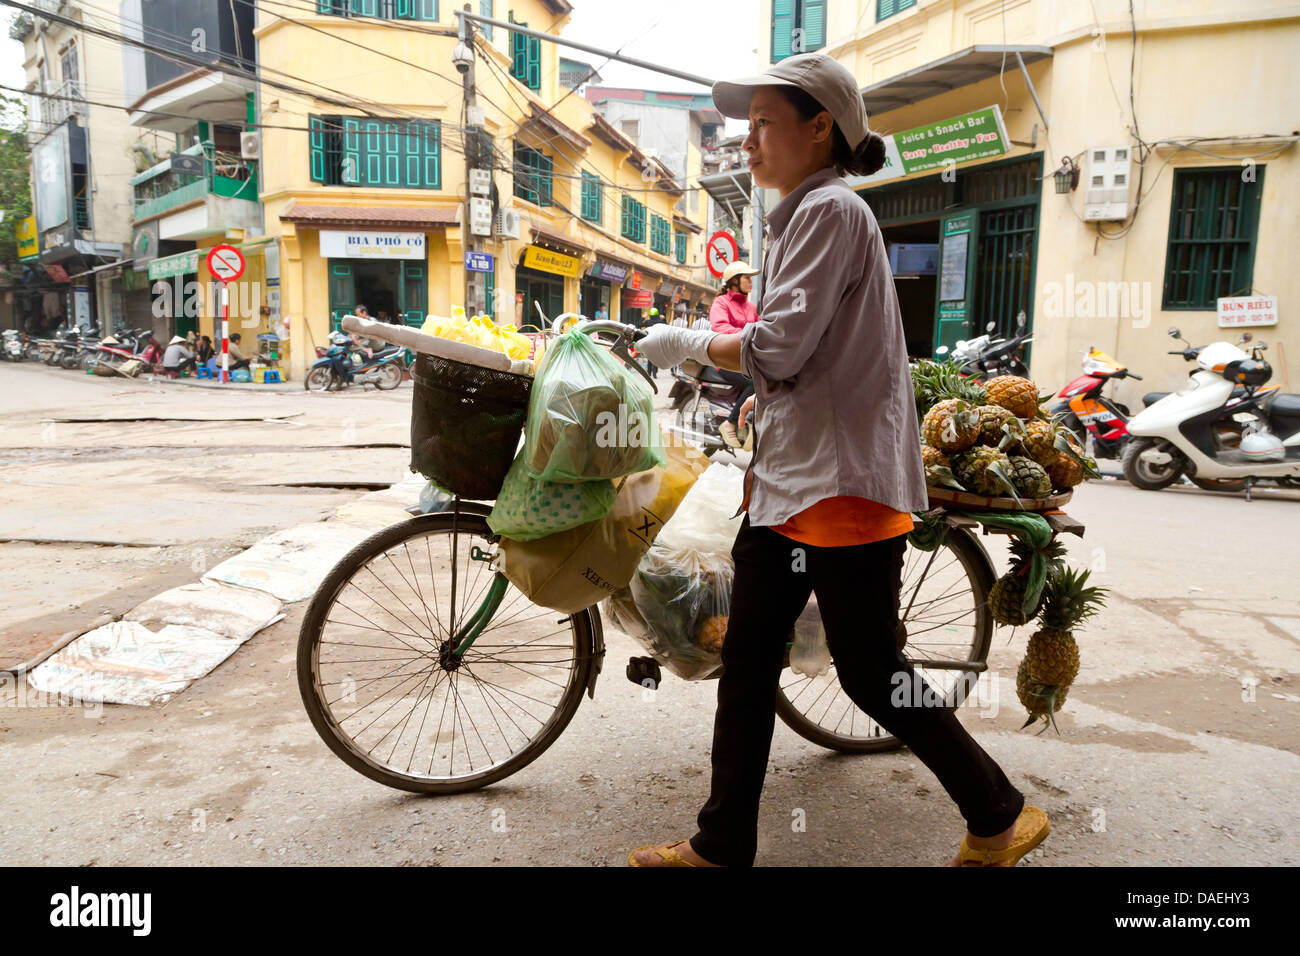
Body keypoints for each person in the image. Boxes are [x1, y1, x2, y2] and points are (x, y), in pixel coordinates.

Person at [631, 52, 1044, 868]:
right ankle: (722, 844)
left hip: (839, 488)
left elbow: (778, 344)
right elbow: (807, 356)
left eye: (762, 125)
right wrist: (767, 397)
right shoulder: (804, 215)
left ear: (819, 126)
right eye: (744, 127)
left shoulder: (826, 213)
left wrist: (688, 343)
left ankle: (998, 812)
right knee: (748, 664)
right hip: (793, 485)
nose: (746, 142)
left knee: (865, 671)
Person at [709, 261, 761, 450]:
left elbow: (760, 328)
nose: (750, 282)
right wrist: (747, 335)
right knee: (756, 380)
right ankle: (730, 422)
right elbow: (720, 327)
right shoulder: (721, 303)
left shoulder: (751, 307)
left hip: (746, 360)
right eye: (746, 278)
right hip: (725, 361)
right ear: (734, 281)